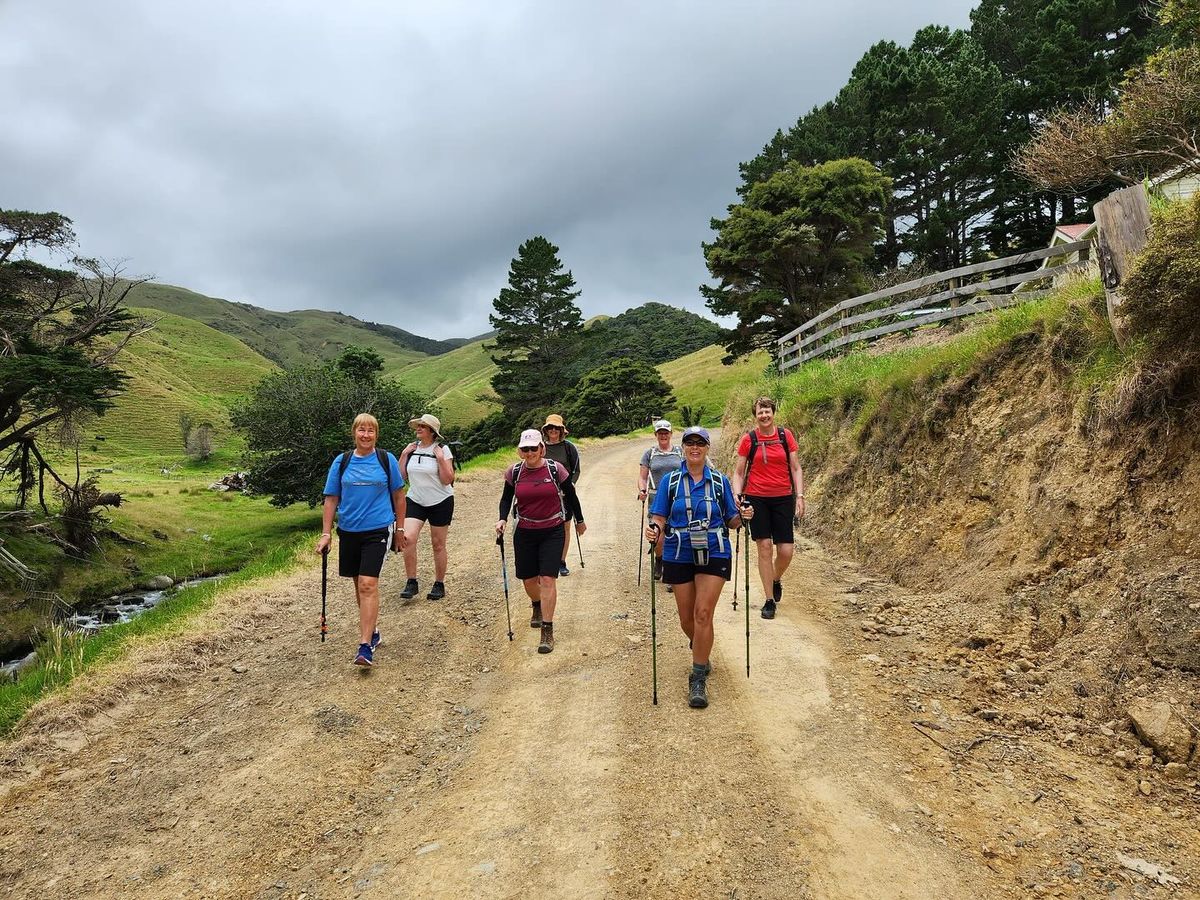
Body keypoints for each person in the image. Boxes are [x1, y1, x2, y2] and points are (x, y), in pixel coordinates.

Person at [646, 426, 752, 709]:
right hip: (678, 551)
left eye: (700, 443)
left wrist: (744, 515)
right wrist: (654, 530)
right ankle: (702, 648)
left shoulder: (719, 481)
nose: (695, 448)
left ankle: (698, 676)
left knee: (702, 614)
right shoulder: (670, 482)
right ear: (683, 448)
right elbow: (659, 517)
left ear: (707, 448)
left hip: (715, 550)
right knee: (686, 619)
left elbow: (732, 520)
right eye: (690, 443)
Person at [316, 413, 406, 667]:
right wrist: (326, 534)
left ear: (376, 435)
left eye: (371, 431)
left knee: (367, 583)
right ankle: (373, 630)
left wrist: (400, 530)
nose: (366, 435)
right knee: (359, 585)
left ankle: (365, 646)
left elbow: (399, 496)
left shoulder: (385, 460)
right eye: (361, 430)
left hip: (378, 529)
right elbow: (331, 498)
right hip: (349, 531)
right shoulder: (341, 462)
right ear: (354, 433)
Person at [496, 428, 586, 654]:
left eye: (533, 448)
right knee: (529, 580)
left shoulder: (556, 470)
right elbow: (507, 498)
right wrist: (501, 519)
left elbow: (571, 496)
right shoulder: (514, 472)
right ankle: (536, 604)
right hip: (525, 531)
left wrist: (579, 520)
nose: (529, 453)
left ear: (541, 448)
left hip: (552, 530)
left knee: (547, 579)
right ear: (520, 451)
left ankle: (547, 629)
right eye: (525, 449)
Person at [730, 396, 804, 621]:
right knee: (764, 546)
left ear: (773, 413)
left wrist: (800, 495)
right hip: (757, 498)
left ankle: (775, 577)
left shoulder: (785, 436)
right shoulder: (749, 439)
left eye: (767, 411)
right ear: (756, 415)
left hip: (783, 497)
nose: (764, 415)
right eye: (760, 412)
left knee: (785, 551)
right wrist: (737, 494)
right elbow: (739, 472)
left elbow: (795, 467)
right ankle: (769, 600)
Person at [398, 413, 455, 601]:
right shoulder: (412, 449)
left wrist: (439, 459)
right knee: (407, 538)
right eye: (418, 426)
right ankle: (411, 582)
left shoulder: (443, 450)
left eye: (423, 426)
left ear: (432, 431)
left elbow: (448, 479)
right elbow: (401, 477)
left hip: (440, 501)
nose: (418, 429)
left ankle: (439, 584)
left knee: (438, 544)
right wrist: (404, 454)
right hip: (416, 499)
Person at [637, 419, 683, 589]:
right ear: (656, 435)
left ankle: (672, 573)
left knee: (676, 535)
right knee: (658, 536)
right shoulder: (650, 454)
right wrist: (643, 490)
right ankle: (659, 560)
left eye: (666, 432)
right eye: (660, 433)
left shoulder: (680, 452)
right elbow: (642, 477)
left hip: (679, 497)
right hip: (656, 497)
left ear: (671, 434)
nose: (663, 435)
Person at [540, 413, 581, 576]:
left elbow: (576, 470)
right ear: (546, 430)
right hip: (545, 496)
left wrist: (570, 485)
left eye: (556, 427)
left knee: (565, 527)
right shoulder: (540, 447)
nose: (553, 430)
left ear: (561, 430)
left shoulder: (569, 447)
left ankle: (561, 562)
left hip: (565, 495)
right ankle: (547, 559)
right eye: (550, 427)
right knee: (546, 527)